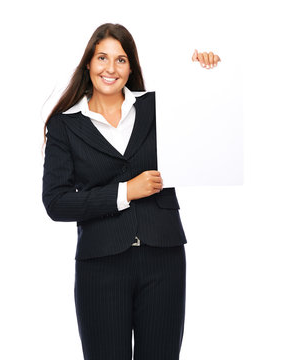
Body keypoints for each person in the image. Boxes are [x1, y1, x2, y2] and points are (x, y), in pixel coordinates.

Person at [42, 23, 221, 360]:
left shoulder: (159, 108)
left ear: (132, 67)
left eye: (121, 60)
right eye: (102, 58)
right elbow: (56, 202)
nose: (111, 69)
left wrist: (204, 72)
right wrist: (125, 192)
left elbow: (210, 121)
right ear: (88, 64)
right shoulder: (65, 125)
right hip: (101, 264)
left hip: (163, 258)